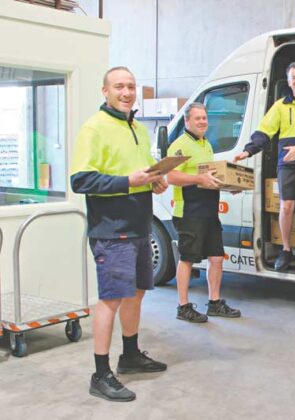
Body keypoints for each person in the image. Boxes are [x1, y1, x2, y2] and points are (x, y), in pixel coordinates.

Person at [70, 66, 168, 402]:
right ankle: (100, 374)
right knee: (110, 299)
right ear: (105, 91)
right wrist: (129, 181)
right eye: (119, 87)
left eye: (131, 86)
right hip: (112, 231)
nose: (127, 92)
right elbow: (81, 180)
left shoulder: (137, 127)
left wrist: (154, 180)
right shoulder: (94, 128)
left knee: (136, 294)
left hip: (139, 226)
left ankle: (130, 355)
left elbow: (139, 172)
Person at [234, 61, 295, 272]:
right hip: (286, 163)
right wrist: (248, 151)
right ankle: (285, 250)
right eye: (294, 78)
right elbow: (265, 131)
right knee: (286, 206)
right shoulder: (280, 106)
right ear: (289, 81)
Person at [167, 102, 241, 322]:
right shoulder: (180, 145)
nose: (202, 122)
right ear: (187, 120)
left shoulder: (206, 144)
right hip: (189, 211)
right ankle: (183, 307)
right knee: (187, 259)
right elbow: (171, 176)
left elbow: (209, 178)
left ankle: (214, 303)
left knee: (216, 257)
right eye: (197, 118)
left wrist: (228, 186)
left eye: (204, 118)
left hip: (209, 211)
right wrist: (198, 179)